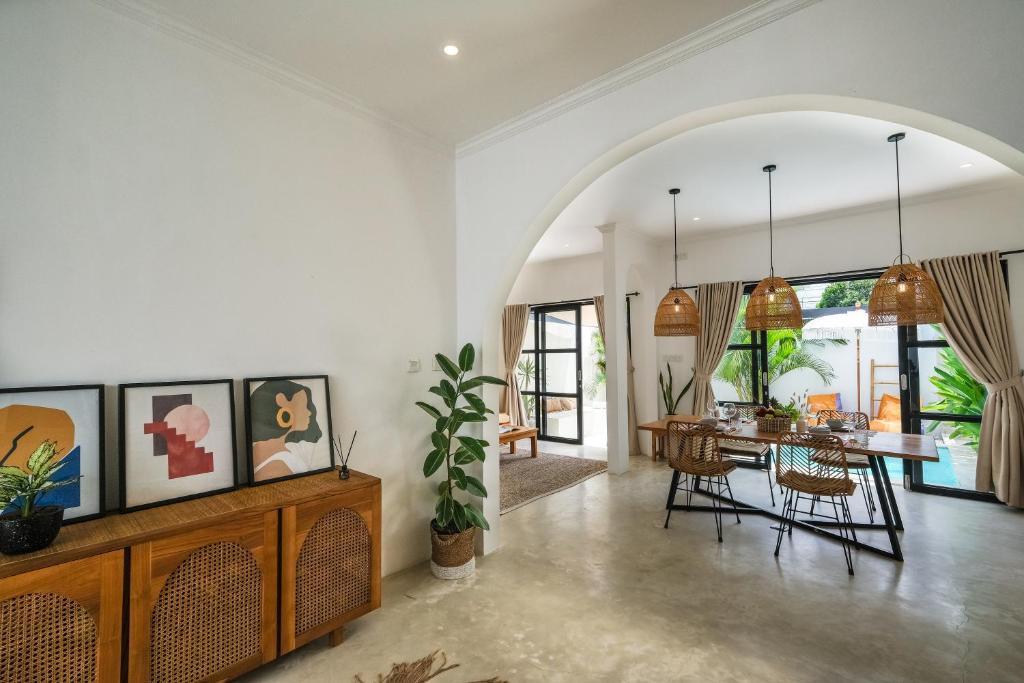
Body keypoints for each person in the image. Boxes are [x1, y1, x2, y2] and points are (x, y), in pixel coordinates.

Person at [250, 380, 322, 481]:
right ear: (281, 400)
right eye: (303, 405)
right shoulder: (281, 466)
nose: (309, 412)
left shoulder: (258, 449)